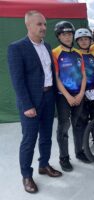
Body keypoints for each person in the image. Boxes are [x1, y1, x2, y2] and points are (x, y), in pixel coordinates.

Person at [7, 10, 62, 193]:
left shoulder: (46, 46)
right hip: (31, 102)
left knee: (46, 135)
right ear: (28, 25)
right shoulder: (17, 48)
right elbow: (17, 80)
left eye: (45, 24)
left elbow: (49, 74)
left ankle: (44, 165)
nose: (43, 27)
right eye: (39, 24)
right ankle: (27, 175)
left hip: (48, 98)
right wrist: (27, 105)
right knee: (29, 139)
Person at [52, 21, 88, 171]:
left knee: (78, 124)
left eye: (69, 34)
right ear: (59, 36)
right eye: (63, 34)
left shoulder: (78, 53)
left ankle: (79, 152)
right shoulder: (55, 53)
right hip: (63, 97)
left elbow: (84, 75)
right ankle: (64, 158)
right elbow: (56, 77)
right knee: (63, 127)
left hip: (79, 95)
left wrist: (80, 94)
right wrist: (68, 96)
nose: (67, 37)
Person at [74, 27, 94, 155]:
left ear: (90, 40)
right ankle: (82, 145)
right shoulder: (75, 55)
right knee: (82, 119)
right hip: (80, 93)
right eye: (81, 40)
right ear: (77, 41)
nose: (84, 42)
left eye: (86, 39)